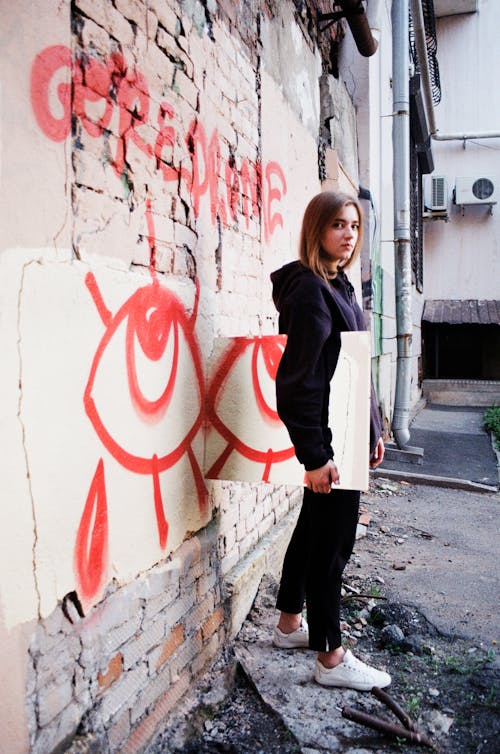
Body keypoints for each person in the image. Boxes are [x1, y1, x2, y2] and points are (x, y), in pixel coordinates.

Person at [270, 190, 391, 691]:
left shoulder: (339, 285)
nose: (349, 234)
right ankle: (331, 660)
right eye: (338, 224)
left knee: (309, 532)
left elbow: (356, 365)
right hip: (329, 443)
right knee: (331, 549)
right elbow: (298, 383)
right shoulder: (310, 291)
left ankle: (288, 625)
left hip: (347, 435)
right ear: (316, 228)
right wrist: (316, 456)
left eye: (355, 226)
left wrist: (375, 428)